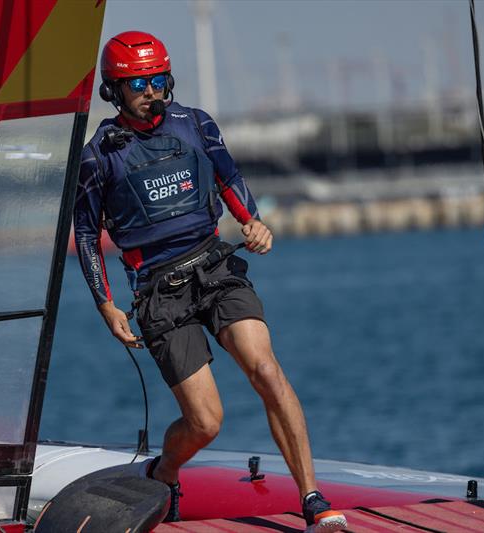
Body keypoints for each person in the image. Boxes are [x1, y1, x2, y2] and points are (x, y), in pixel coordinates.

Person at [73, 31, 347, 532]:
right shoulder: (98, 156)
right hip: (158, 291)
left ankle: (312, 498)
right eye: (138, 84)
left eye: (158, 80)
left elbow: (229, 178)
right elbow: (87, 235)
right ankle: (164, 471)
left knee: (265, 369)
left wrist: (254, 221)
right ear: (113, 90)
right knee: (206, 422)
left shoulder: (195, 124)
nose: (151, 91)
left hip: (215, 268)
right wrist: (106, 305)